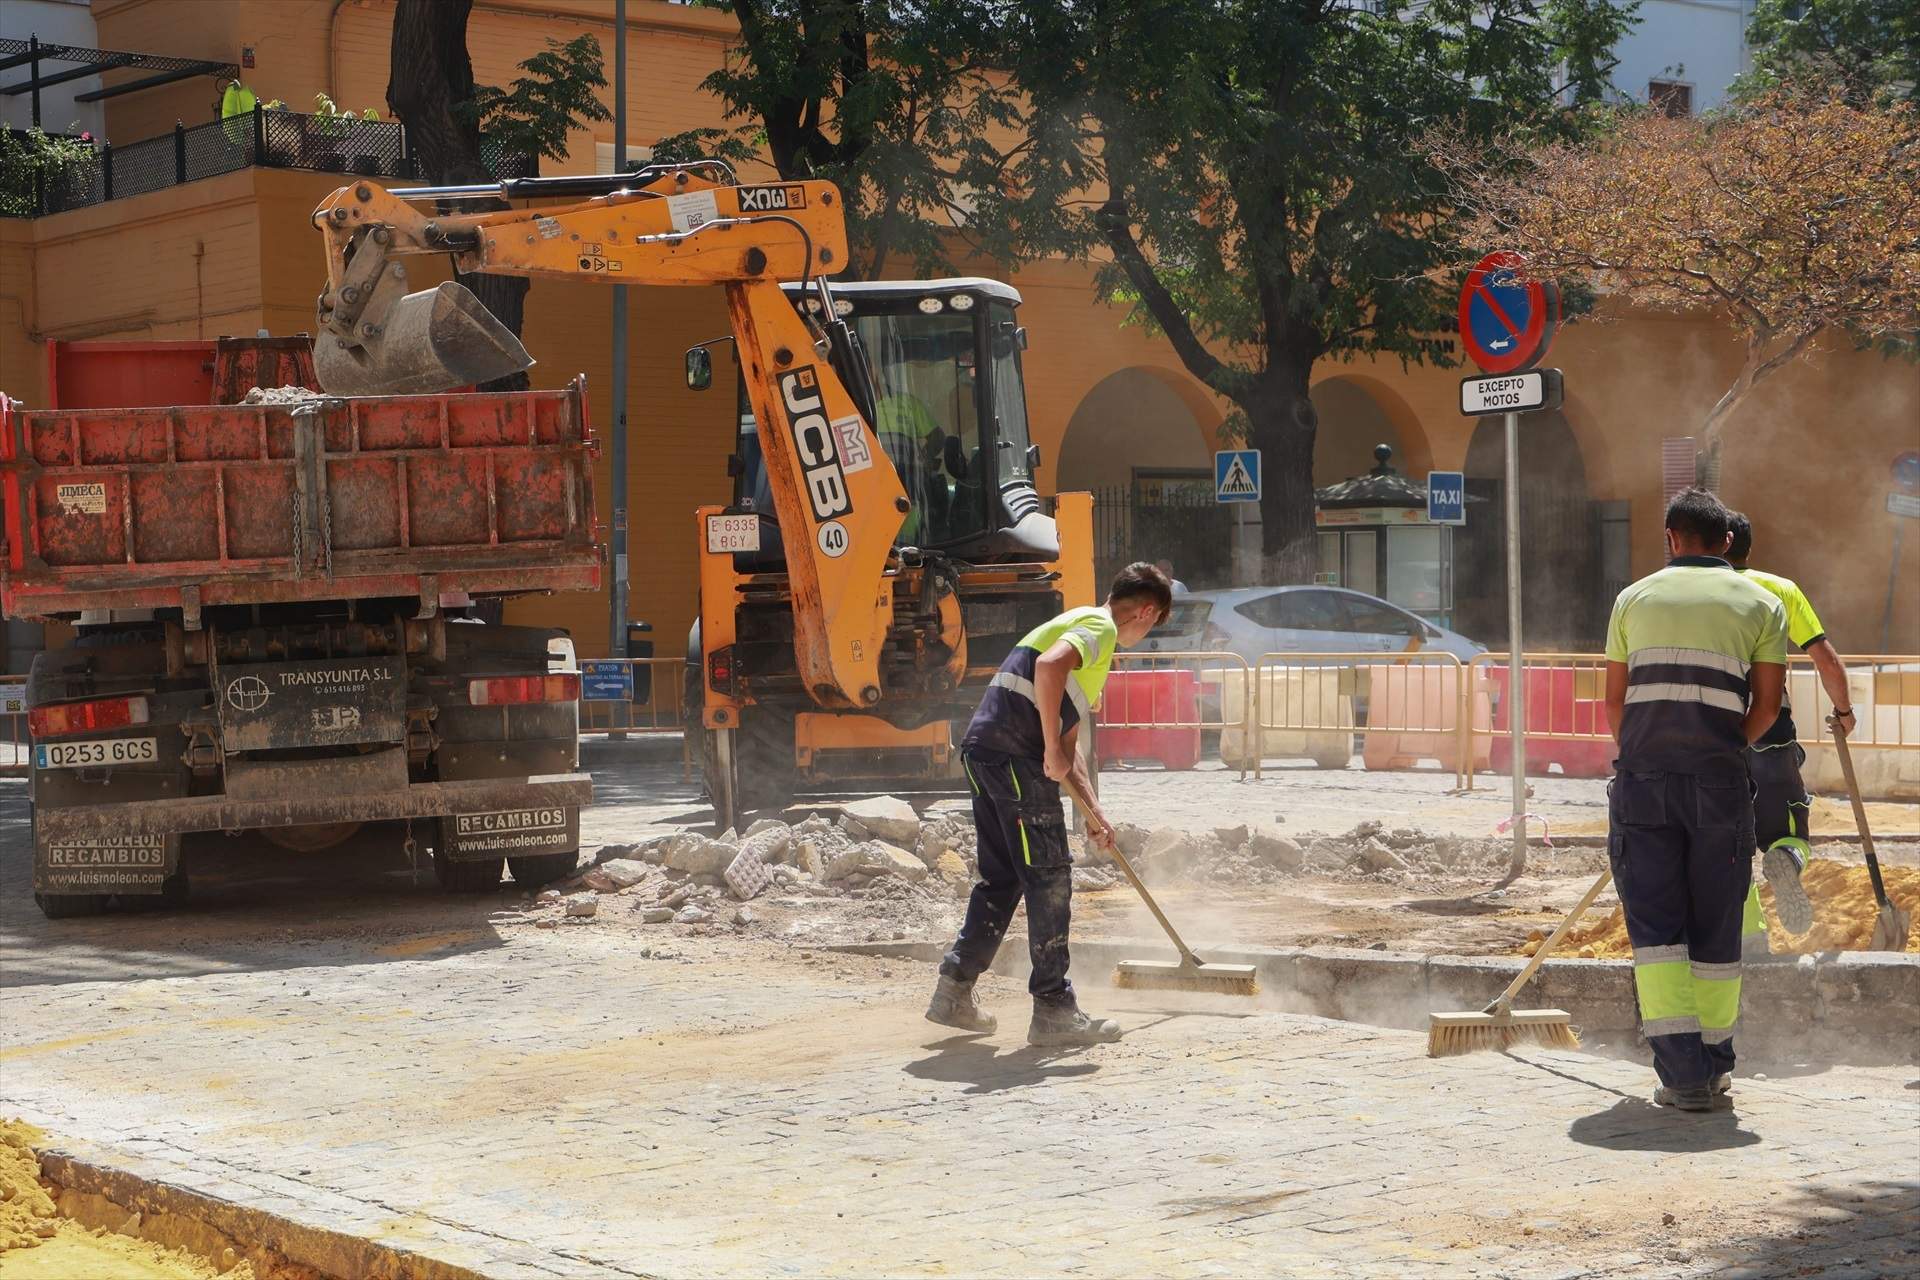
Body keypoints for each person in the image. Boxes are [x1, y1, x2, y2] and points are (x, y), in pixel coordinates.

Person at [926, 562, 1174, 1046]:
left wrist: (1094, 814)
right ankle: (1054, 1008)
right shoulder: (1099, 628)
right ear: (1145, 611)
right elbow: (1048, 667)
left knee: (1002, 880)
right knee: (1049, 879)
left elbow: (1069, 744)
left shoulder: (1081, 627)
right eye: (1153, 625)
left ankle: (953, 991)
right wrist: (1049, 749)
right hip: (1016, 759)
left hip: (986, 753)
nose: (1147, 635)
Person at [1603, 488, 1786, 1112]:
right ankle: (1715, 1064)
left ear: (1670, 537)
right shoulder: (1762, 602)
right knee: (1716, 922)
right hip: (1720, 782)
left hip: (1644, 778)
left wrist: (1647, 755)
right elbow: (1765, 708)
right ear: (1726, 541)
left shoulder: (1633, 599)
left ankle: (1682, 1076)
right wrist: (1718, 746)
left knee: (1656, 928)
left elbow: (1614, 703)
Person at [1727, 512, 1855, 948]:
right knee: (1790, 828)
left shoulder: (1695, 592)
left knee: (1729, 843)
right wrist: (1844, 710)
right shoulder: (1780, 589)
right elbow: (1825, 658)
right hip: (1770, 726)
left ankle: (1750, 940)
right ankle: (1784, 855)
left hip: (1715, 729)